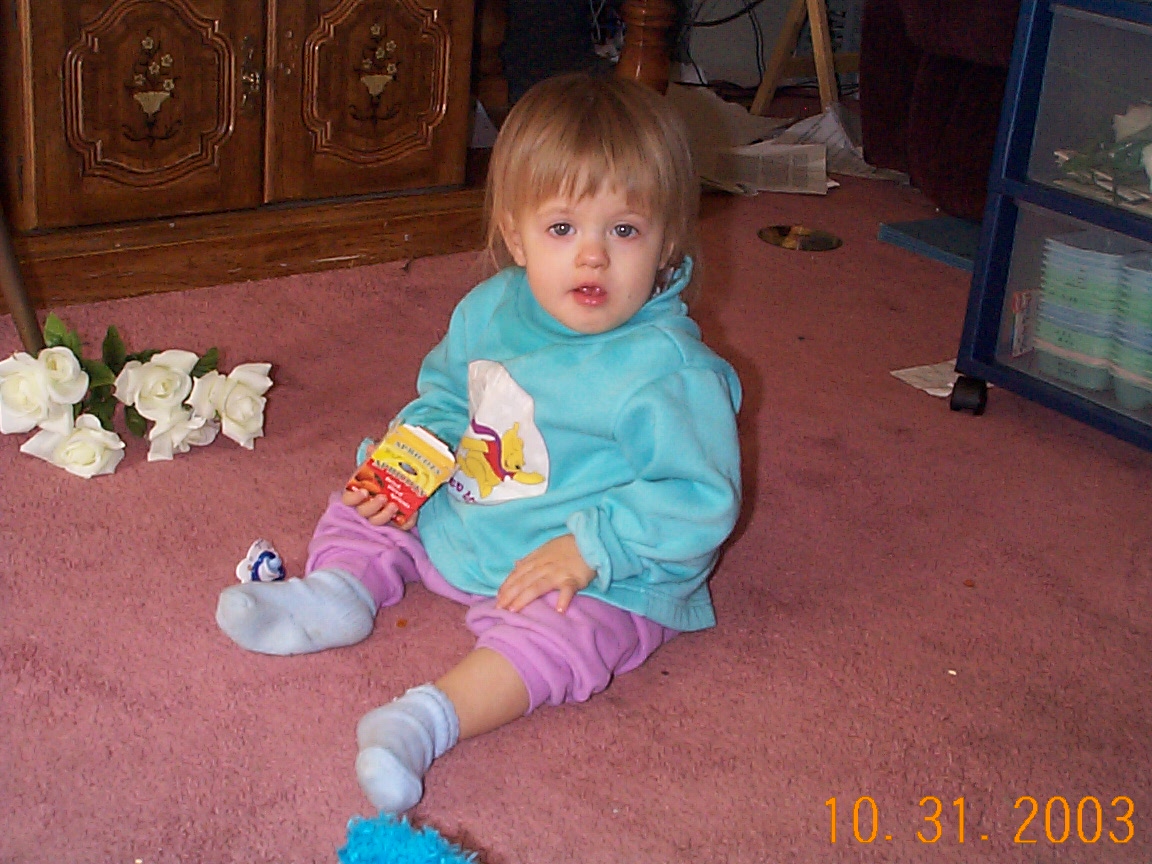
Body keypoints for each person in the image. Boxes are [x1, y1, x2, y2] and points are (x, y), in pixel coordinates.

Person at [215, 72, 743, 814]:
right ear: (515, 235)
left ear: (667, 243)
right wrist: (409, 463)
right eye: (562, 229)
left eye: (624, 231)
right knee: (365, 500)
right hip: (471, 507)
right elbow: (443, 399)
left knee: (573, 632)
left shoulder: (670, 372)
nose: (593, 256)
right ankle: (336, 593)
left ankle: (425, 720)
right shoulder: (489, 309)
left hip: (594, 557)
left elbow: (697, 497)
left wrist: (593, 548)